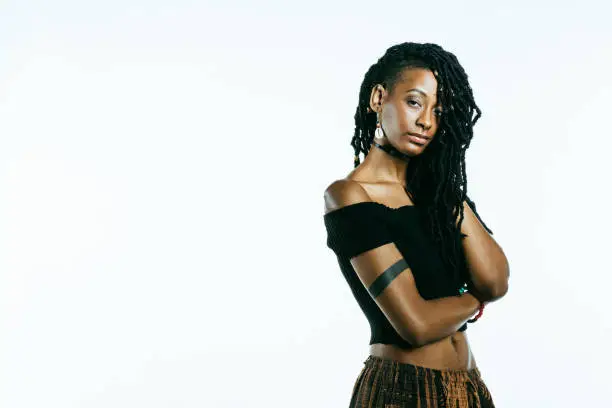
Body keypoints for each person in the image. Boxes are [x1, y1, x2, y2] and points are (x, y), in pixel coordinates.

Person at [323, 42, 509, 408]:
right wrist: (474, 301)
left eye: (438, 111)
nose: (426, 120)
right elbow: (417, 324)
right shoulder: (349, 196)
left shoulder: (435, 196)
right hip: (401, 391)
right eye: (414, 102)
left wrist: (443, 187)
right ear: (379, 97)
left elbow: (496, 280)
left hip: (470, 388)